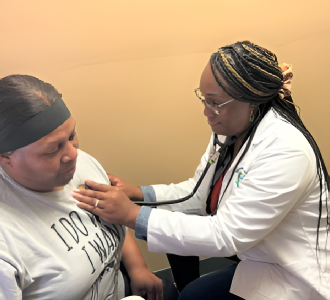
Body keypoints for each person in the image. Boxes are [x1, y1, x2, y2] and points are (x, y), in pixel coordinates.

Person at [72, 41, 330, 300]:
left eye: (215, 103)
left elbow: (227, 235)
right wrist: (137, 192)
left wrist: (132, 216)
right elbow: (196, 194)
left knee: (193, 293)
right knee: (187, 273)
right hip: (256, 248)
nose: (207, 112)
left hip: (291, 269)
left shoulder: (286, 151)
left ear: (252, 103)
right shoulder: (231, 132)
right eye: (204, 99)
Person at [0, 75, 163, 300]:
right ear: (5, 157)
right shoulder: (6, 241)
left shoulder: (80, 163)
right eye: (52, 150)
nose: (73, 153)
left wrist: (138, 268)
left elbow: (112, 215)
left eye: (71, 135)